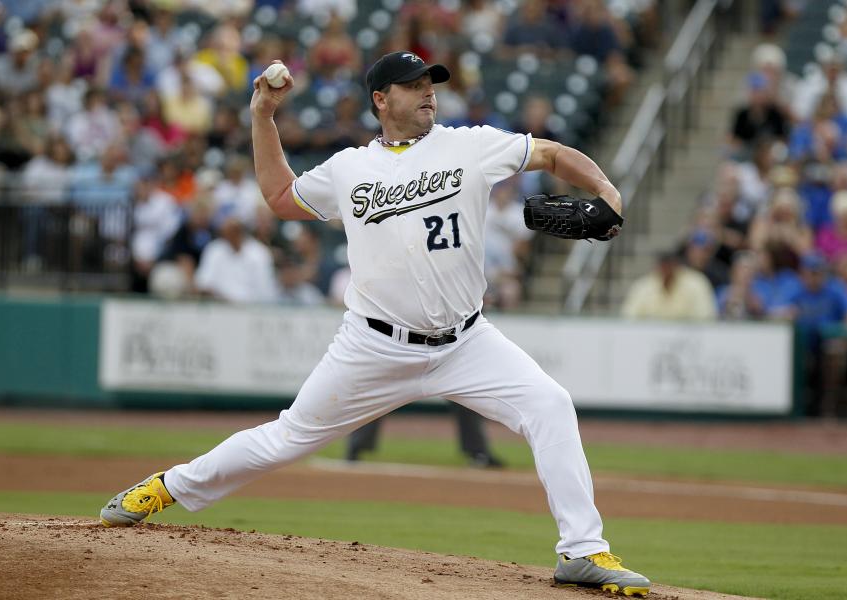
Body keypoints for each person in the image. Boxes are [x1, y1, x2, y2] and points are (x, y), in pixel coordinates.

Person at [98, 51, 650, 596]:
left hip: (467, 341)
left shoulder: (470, 147)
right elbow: (279, 196)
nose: (429, 91)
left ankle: (583, 552)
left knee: (550, 405)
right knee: (286, 438)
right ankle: (166, 487)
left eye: (431, 81)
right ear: (381, 100)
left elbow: (551, 155)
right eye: (413, 85)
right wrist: (263, 117)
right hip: (373, 344)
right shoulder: (350, 168)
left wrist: (606, 190)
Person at [346, 404, 506, 468]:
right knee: (377, 391)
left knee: (467, 396)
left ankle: (479, 453)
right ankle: (356, 446)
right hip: (402, 347)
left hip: (443, 347)